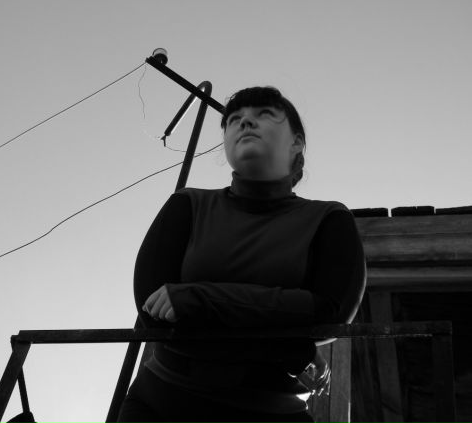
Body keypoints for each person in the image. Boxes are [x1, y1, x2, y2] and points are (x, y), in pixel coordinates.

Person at [117, 86, 366, 423]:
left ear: (296, 143)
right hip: (160, 406)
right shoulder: (187, 204)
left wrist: (197, 299)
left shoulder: (329, 218)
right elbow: (153, 312)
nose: (245, 122)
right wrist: (290, 348)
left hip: (275, 413)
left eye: (264, 114)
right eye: (234, 119)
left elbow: (330, 314)